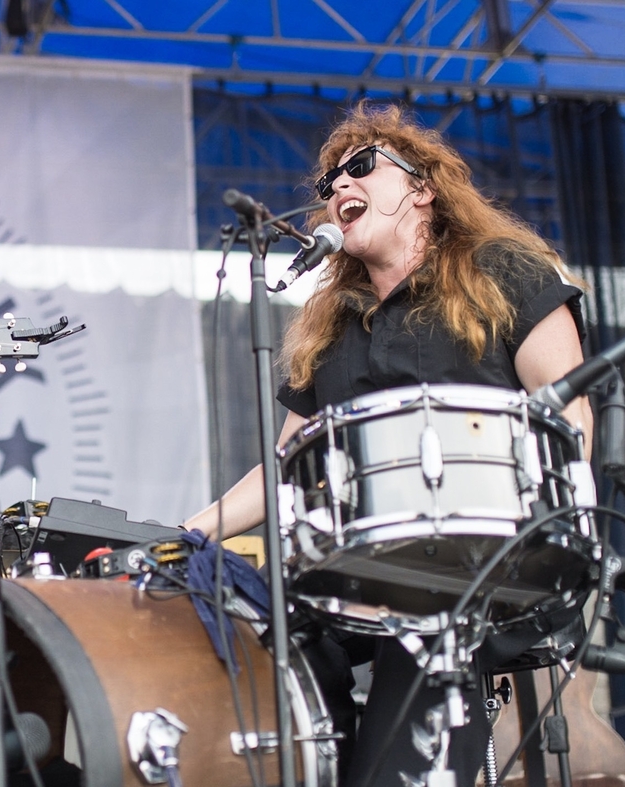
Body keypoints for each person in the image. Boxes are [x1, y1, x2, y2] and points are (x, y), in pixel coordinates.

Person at [184, 102, 592, 786]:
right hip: (356, 566)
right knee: (252, 618)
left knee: (420, 651)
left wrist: (564, 528)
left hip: (475, 561)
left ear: (422, 187)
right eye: (328, 184)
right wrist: (186, 535)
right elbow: (283, 466)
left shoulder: (502, 270)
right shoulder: (331, 326)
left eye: (361, 168)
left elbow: (568, 407)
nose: (340, 187)